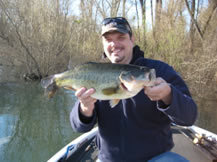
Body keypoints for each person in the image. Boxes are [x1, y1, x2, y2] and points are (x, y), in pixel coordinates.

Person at [70, 17, 197, 162]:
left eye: (121, 37)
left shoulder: (158, 71)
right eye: (108, 39)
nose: (114, 44)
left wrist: (168, 95)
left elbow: (190, 116)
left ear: (132, 39)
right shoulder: (96, 73)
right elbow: (78, 127)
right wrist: (85, 108)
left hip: (156, 158)